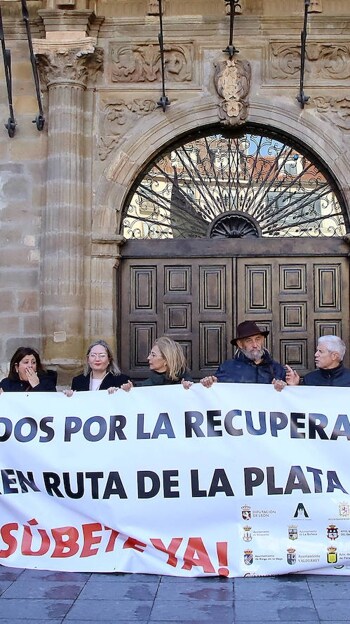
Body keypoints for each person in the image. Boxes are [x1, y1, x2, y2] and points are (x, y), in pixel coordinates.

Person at [200, 320, 286, 389]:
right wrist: (209, 384)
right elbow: (215, 394)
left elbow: (290, 398)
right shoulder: (227, 368)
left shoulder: (276, 368)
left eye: (258, 339)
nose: (255, 345)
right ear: (240, 344)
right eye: (249, 341)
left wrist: (292, 385)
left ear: (263, 340)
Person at [112, 336, 193, 392]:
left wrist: (188, 390)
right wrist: (123, 391)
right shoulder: (144, 385)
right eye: (150, 354)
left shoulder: (185, 383)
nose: (148, 358)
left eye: (153, 355)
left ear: (166, 360)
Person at [285, 335, 350, 387]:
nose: (316, 354)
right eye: (317, 351)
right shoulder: (309, 379)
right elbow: (301, 401)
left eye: (320, 351)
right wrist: (294, 386)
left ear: (334, 356)